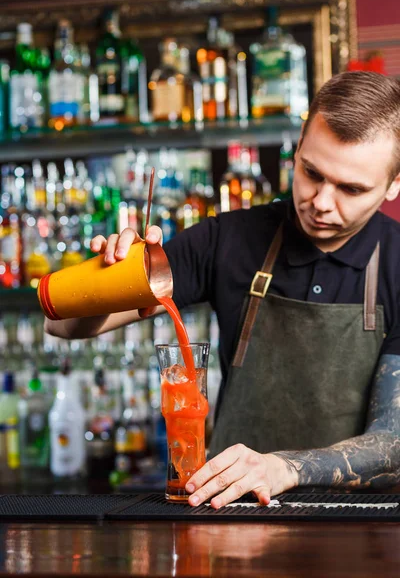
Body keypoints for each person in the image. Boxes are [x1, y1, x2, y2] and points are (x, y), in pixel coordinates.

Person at [45, 71, 400, 509]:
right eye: (311, 173)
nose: (322, 201)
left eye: (352, 189)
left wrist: (285, 468)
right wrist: (106, 278)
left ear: (393, 185)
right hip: (236, 513)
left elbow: (394, 444)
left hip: (361, 528)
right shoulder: (229, 239)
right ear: (298, 151)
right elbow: (60, 325)